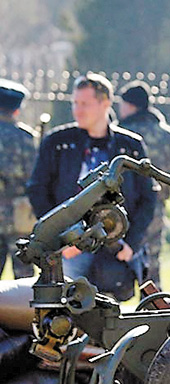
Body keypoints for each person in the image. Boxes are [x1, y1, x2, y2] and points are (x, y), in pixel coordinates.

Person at [26, 73, 155, 301]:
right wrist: (59, 240)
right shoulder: (57, 143)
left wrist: (131, 244)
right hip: (70, 249)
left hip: (116, 245)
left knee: (111, 318)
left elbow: (148, 197)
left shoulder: (130, 146)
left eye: (85, 103)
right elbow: (38, 189)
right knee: (66, 310)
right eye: (75, 103)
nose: (78, 110)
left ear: (105, 103)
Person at [117, 80, 170, 286]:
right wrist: (162, 195)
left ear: (130, 105)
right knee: (152, 264)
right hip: (155, 207)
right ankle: (152, 311)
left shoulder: (119, 134)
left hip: (120, 209)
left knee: (113, 262)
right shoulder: (168, 135)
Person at [0, 80, 36, 279]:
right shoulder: (24, 137)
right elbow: (34, 176)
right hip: (18, 215)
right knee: (23, 276)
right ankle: (23, 312)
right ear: (16, 110)